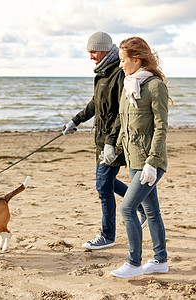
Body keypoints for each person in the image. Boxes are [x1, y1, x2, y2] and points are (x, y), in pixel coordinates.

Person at [62, 32, 146, 250]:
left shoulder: (119, 73)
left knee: (102, 186)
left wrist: (110, 143)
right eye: (89, 52)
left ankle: (107, 235)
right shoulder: (101, 73)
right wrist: (75, 120)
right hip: (102, 139)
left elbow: (122, 112)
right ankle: (142, 206)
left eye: (93, 51)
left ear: (105, 49)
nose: (90, 56)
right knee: (106, 183)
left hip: (114, 140)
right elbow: (95, 103)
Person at [110, 36, 169, 278]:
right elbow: (125, 123)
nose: (121, 65)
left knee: (127, 208)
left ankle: (134, 264)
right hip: (134, 159)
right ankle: (160, 261)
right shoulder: (129, 84)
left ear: (137, 59)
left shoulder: (154, 86)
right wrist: (113, 148)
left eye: (123, 60)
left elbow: (161, 127)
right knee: (152, 211)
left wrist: (153, 163)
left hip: (150, 162)